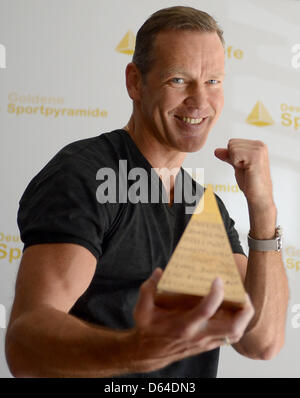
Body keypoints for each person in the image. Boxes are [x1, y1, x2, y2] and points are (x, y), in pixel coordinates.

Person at [5, 6, 289, 378]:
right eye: (178, 80)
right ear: (135, 82)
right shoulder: (85, 175)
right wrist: (135, 349)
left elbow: (261, 341)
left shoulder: (205, 206)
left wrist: (263, 208)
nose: (200, 101)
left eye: (214, 82)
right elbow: (24, 342)